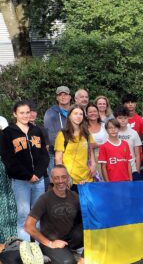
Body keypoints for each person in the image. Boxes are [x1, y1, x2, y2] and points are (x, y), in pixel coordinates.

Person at [3, 101, 50, 241]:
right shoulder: (8, 133)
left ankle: (38, 248)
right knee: (23, 216)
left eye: (27, 112)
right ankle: (26, 250)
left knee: (37, 215)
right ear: (14, 114)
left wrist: (38, 174)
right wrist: (28, 175)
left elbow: (44, 155)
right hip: (21, 181)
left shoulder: (37, 131)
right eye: (21, 113)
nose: (25, 115)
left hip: (39, 180)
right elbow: (9, 159)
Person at [24, 165, 83, 264]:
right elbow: (28, 226)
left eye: (63, 177)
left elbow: (92, 212)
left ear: (68, 178)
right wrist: (50, 243)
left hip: (69, 239)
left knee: (94, 227)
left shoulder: (74, 196)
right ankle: (51, 254)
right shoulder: (44, 199)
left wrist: (86, 190)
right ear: (51, 179)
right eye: (56, 178)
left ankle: (75, 253)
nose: (60, 181)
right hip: (51, 241)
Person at [54, 106, 97, 189]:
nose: (78, 116)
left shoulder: (86, 133)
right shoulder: (62, 134)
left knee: (87, 202)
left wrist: (94, 164)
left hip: (87, 177)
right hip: (70, 179)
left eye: (81, 114)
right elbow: (58, 159)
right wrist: (63, 176)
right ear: (69, 115)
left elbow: (90, 149)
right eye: (75, 113)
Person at [44, 86, 71, 179]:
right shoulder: (50, 113)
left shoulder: (75, 111)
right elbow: (51, 136)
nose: (63, 97)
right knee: (56, 179)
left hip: (73, 151)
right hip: (55, 151)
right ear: (57, 98)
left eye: (65, 94)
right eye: (60, 95)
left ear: (70, 97)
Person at [115, 106, 143, 180]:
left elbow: (137, 154)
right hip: (118, 170)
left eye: (125, 118)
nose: (123, 120)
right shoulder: (112, 133)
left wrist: (137, 170)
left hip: (133, 169)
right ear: (115, 119)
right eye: (120, 118)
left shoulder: (134, 133)